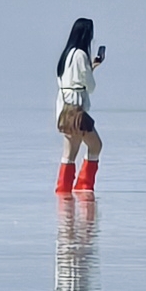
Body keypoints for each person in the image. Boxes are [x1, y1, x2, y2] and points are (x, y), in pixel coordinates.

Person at [53, 16, 104, 193]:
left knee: (69, 153)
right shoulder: (81, 54)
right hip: (77, 109)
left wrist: (91, 67)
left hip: (63, 109)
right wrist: (91, 69)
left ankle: (63, 190)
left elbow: (72, 78)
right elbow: (90, 86)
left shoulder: (66, 54)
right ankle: (84, 186)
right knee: (96, 145)